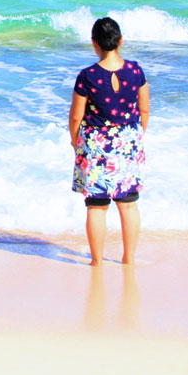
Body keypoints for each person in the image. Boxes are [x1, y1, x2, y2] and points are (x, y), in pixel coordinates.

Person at [67, 16, 149, 266]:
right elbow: (144, 110)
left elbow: (76, 116)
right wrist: (135, 137)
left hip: (96, 145)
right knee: (128, 205)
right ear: (120, 41)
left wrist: (75, 142)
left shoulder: (88, 76)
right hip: (128, 141)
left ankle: (97, 261)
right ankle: (129, 258)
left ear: (94, 43)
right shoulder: (135, 70)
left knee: (96, 206)